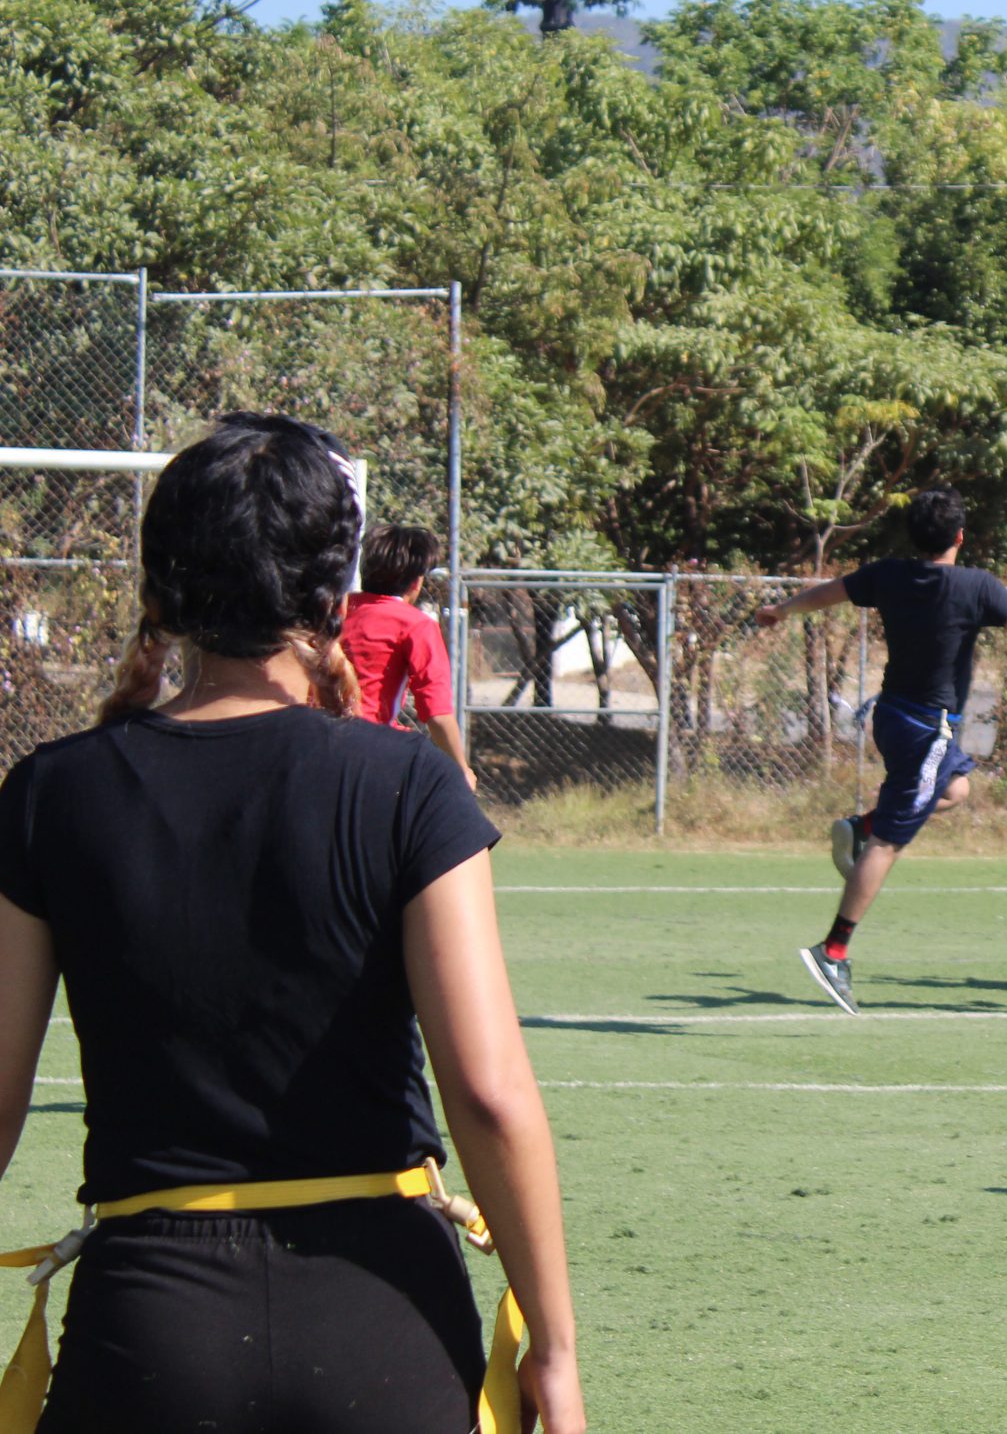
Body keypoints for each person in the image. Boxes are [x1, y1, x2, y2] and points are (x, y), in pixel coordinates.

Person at [0, 413, 581, 1432]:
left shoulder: (54, 793)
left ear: (164, 584)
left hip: (148, 1331)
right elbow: (488, 1095)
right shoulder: (405, 785)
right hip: (385, 1321)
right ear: (330, 591)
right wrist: (559, 1354)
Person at [755, 488, 1007, 1014]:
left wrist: (781, 610)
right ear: (960, 536)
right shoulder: (977, 585)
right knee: (890, 844)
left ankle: (861, 827)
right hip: (928, 730)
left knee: (956, 788)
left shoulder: (889, 573)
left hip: (890, 716)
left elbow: (830, 593)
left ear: (914, 535)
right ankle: (834, 950)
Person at [342, 524, 474, 790]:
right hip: (367, 747)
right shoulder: (415, 625)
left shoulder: (336, 607)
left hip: (311, 735)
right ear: (416, 582)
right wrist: (462, 769)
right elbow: (436, 712)